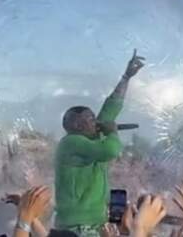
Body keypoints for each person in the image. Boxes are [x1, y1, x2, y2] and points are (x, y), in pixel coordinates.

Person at [53, 50, 145, 236]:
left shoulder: (90, 139)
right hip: (76, 230)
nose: (96, 122)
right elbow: (111, 150)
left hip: (92, 227)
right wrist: (112, 132)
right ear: (77, 125)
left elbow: (110, 109)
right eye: (91, 118)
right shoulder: (70, 143)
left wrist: (126, 77)